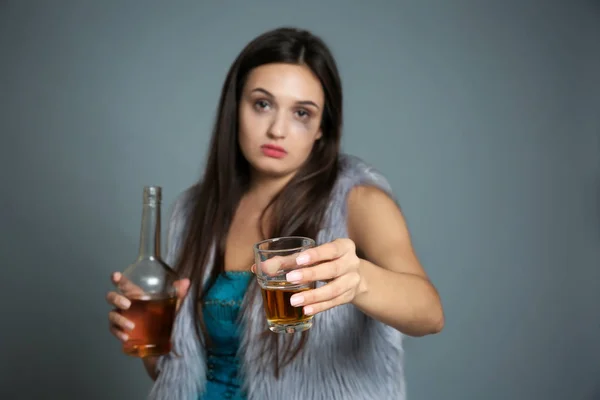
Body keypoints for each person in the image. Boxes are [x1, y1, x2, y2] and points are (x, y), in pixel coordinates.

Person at [106, 26, 444, 400]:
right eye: (262, 104)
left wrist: (358, 280)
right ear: (235, 107)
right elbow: (179, 376)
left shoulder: (358, 202)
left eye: (302, 112)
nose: (278, 129)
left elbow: (429, 313)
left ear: (321, 128)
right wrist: (152, 337)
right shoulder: (192, 212)